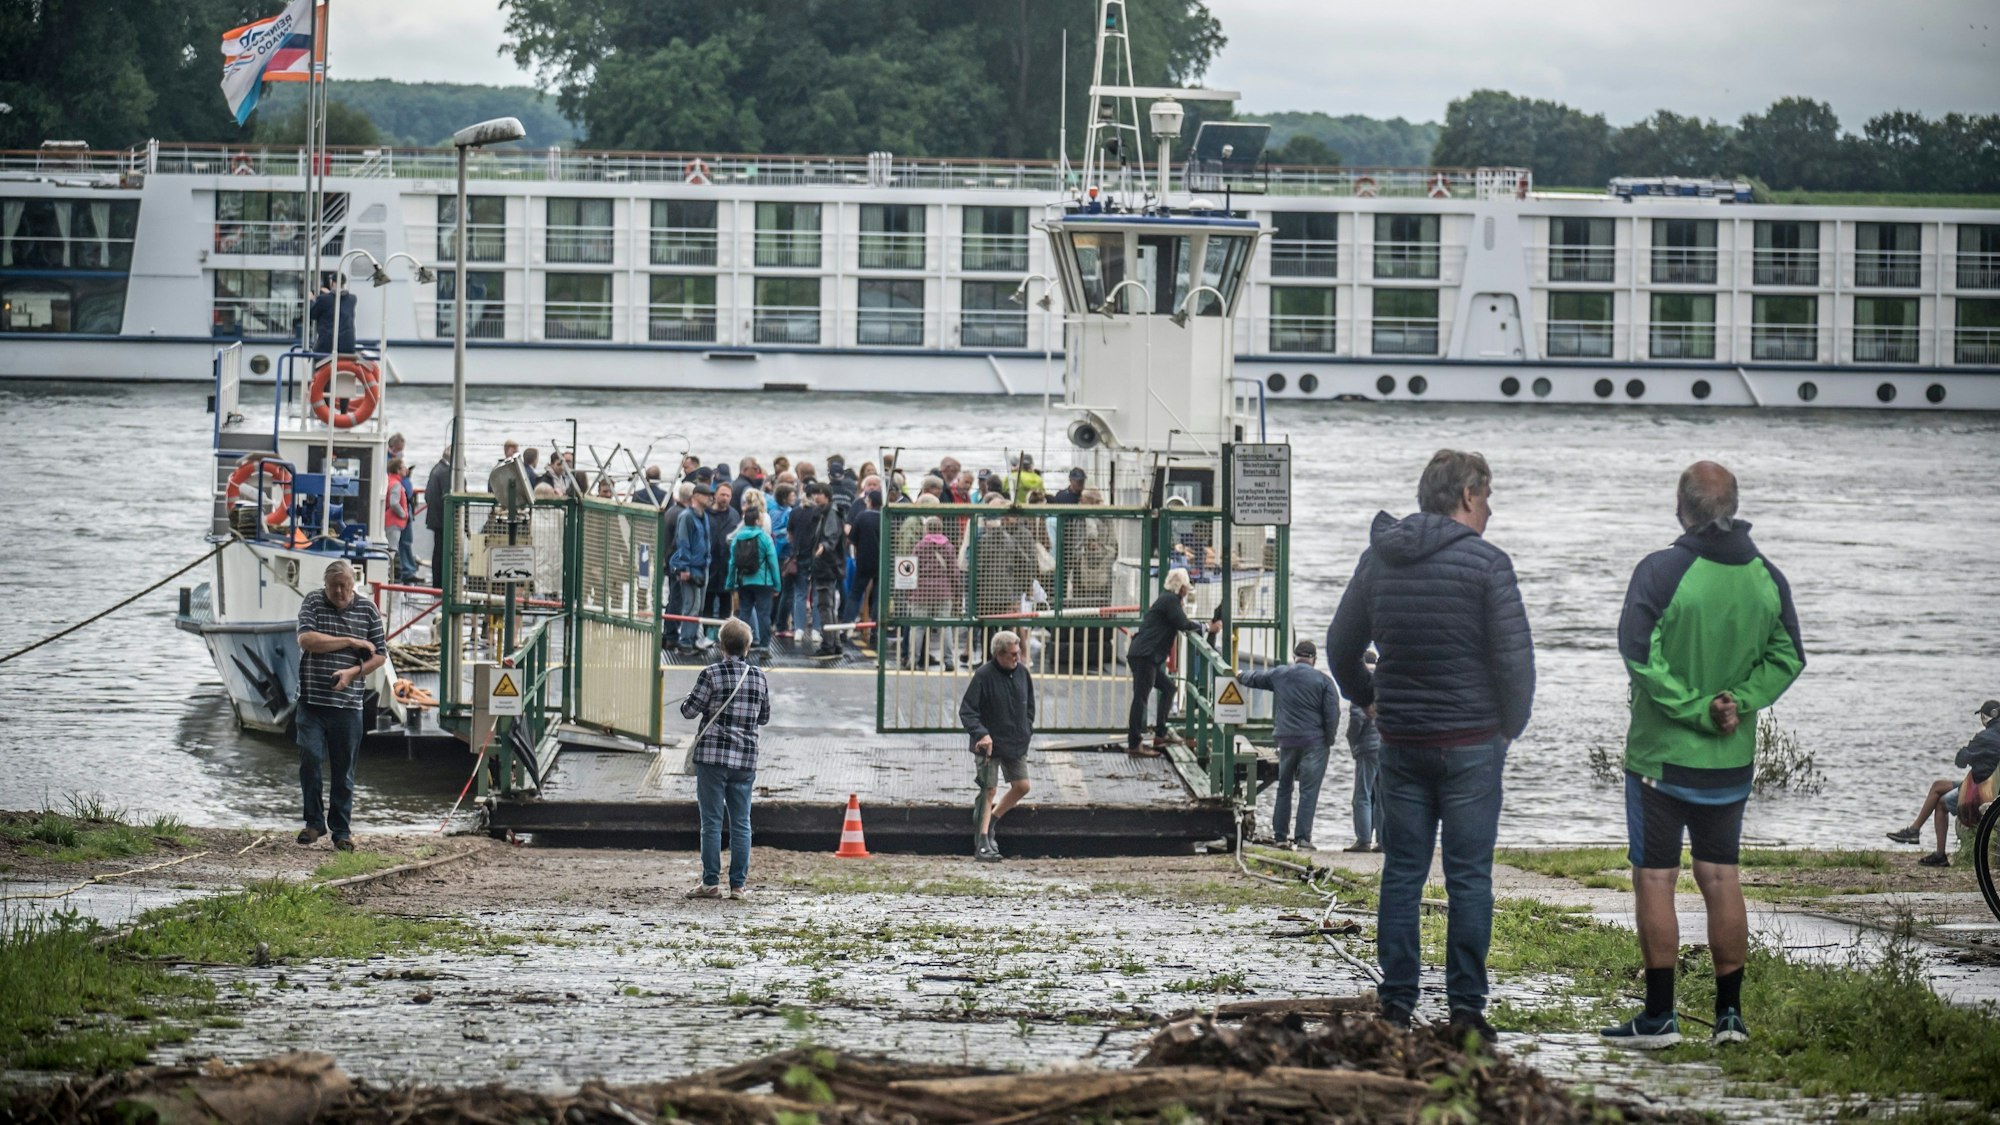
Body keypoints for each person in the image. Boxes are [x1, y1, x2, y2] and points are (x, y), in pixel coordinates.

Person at [1326, 449, 1535, 1046]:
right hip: (1472, 744)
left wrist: (1369, 701)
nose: (1491, 511)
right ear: (1468, 496)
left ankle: (1396, 1005)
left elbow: (1341, 649)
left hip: (1402, 742)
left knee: (1403, 873)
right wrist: (1505, 730)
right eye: (1488, 498)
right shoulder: (1489, 565)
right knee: (1469, 877)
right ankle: (1466, 1010)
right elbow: (1516, 666)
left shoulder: (1378, 560)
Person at [1600, 461, 1804, 1051]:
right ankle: (1730, 1018)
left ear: (1682, 509)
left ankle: (1660, 1017)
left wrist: (1695, 709)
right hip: (1731, 764)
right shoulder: (1768, 577)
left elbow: (1638, 654)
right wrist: (1736, 703)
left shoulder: (1661, 571)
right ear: (1732, 507)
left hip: (1661, 762)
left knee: (1656, 879)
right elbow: (1788, 657)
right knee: (1720, 877)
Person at [293, 561, 385, 852]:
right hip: (312, 702)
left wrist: (351, 674)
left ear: (353, 583)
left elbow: (379, 655)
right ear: (325, 584)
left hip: (348, 706)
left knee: (344, 770)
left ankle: (341, 831)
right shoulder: (313, 602)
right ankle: (314, 822)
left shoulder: (368, 610)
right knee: (310, 758)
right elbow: (307, 640)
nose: (340, 591)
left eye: (345, 585)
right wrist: (349, 640)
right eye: (334, 586)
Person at [680, 619, 771, 899]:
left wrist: (690, 699)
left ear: (721, 646)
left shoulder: (711, 674)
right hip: (745, 759)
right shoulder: (758, 677)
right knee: (742, 822)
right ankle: (738, 886)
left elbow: (689, 711)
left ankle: (709, 884)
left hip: (713, 758)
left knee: (711, 821)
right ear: (748, 646)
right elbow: (764, 717)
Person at [1239, 640, 1344, 851]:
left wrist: (1240, 675)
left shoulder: (1280, 674)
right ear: (1314, 659)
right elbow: (1332, 714)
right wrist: (1330, 739)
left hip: (1287, 741)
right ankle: (1303, 839)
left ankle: (1280, 837)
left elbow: (1256, 679)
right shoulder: (1324, 681)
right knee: (1308, 791)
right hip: (1315, 742)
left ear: (1294, 656)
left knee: (1284, 787)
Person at [1888, 700, 2000, 864]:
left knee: (1941, 803)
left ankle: (1937, 852)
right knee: (1938, 786)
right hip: (1990, 785)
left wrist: (1970, 752)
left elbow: (1960, 760)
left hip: (1983, 790)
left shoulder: (1984, 737)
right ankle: (1914, 830)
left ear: (1985, 717)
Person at [960, 630, 1035, 862]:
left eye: (1019, 652)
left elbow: (1029, 707)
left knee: (1022, 786)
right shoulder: (983, 675)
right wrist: (981, 734)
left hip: (1015, 741)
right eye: (1013, 654)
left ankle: (991, 821)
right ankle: (981, 841)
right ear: (999, 654)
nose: (1018, 658)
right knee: (988, 789)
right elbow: (967, 711)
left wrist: (1026, 730)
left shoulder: (1022, 673)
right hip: (989, 744)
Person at [1125, 569, 1215, 756]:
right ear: (1181, 588)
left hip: (1144, 654)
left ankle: (1160, 733)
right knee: (1140, 698)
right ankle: (1134, 744)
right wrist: (1208, 627)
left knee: (1168, 688)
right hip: (1145, 656)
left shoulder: (1167, 600)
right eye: (1185, 588)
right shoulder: (1170, 601)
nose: (1186, 592)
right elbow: (1183, 623)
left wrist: (1200, 625)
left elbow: (1180, 621)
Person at [1345, 651, 1386, 852]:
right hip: (1386, 746)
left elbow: (1356, 721)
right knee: (1382, 796)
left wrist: (1352, 742)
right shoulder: (1386, 684)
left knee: (1362, 794)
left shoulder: (1362, 686)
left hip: (1367, 749)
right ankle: (1383, 840)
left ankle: (1363, 839)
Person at [727, 505, 781, 653]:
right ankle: (764, 646)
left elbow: (732, 562)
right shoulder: (765, 538)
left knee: (744, 613)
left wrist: (730, 583)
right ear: (757, 520)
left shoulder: (738, 538)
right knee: (764, 614)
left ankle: (743, 644)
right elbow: (773, 562)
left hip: (744, 581)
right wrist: (777, 585)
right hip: (763, 582)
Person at [669, 484, 714, 653]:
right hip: (691, 567)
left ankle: (693, 638)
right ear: (695, 496)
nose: (710, 498)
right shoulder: (686, 516)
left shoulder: (704, 516)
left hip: (703, 566)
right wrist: (683, 567)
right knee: (690, 605)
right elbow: (683, 542)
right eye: (706, 495)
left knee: (699, 606)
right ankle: (685, 641)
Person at [705, 482, 741, 631]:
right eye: (722, 494)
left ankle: (723, 634)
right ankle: (707, 633)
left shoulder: (734, 514)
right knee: (707, 603)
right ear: (715, 495)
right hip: (710, 564)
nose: (725, 498)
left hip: (727, 566)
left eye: (728, 495)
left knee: (726, 605)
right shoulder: (706, 514)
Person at [849, 490, 884, 630]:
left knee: (855, 593)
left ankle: (847, 625)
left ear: (870, 502)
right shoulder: (885, 517)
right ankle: (877, 628)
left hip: (863, 561)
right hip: (882, 561)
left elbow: (852, 538)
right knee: (878, 597)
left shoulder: (861, 517)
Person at [769, 483, 798, 636]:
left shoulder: (779, 510)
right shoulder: (782, 512)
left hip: (779, 555)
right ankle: (779, 624)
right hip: (782, 556)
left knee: (779, 592)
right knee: (785, 592)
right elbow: (778, 534)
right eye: (791, 495)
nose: (794, 497)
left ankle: (773, 621)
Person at [423, 447, 452, 582]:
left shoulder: (436, 469)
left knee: (438, 551)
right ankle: (441, 582)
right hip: (443, 519)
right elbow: (447, 497)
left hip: (435, 517)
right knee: (443, 552)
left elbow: (427, 495)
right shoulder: (445, 472)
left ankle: (438, 580)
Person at [308, 276, 357, 356]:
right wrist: (329, 294)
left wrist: (311, 300)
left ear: (332, 283)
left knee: (313, 356)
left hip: (328, 346)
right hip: (348, 345)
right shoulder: (352, 299)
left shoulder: (323, 299)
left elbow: (312, 314)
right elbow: (337, 301)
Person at [383, 457, 412, 582]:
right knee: (392, 549)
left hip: (390, 521)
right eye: (403, 467)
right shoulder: (396, 484)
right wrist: (403, 514)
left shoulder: (390, 481)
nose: (406, 469)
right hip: (393, 522)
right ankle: (388, 576)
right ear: (398, 469)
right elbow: (394, 502)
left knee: (391, 548)